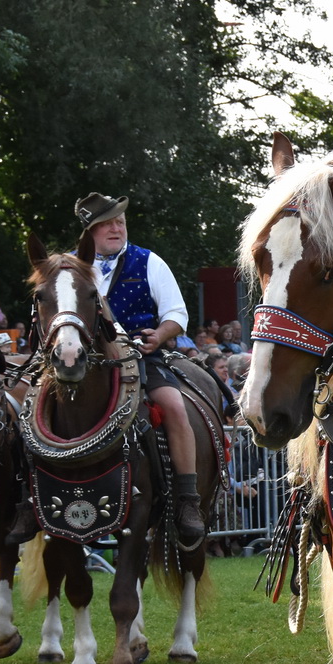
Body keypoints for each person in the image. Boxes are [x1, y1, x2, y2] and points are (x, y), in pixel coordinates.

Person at [72, 192, 206, 546]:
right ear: (89, 233)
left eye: (120, 222)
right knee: (30, 404)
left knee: (175, 408)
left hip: (141, 356)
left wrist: (158, 336)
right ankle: (28, 498)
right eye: (106, 224)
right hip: (80, 363)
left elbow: (178, 314)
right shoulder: (68, 267)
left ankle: (188, 499)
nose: (116, 228)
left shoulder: (149, 262)